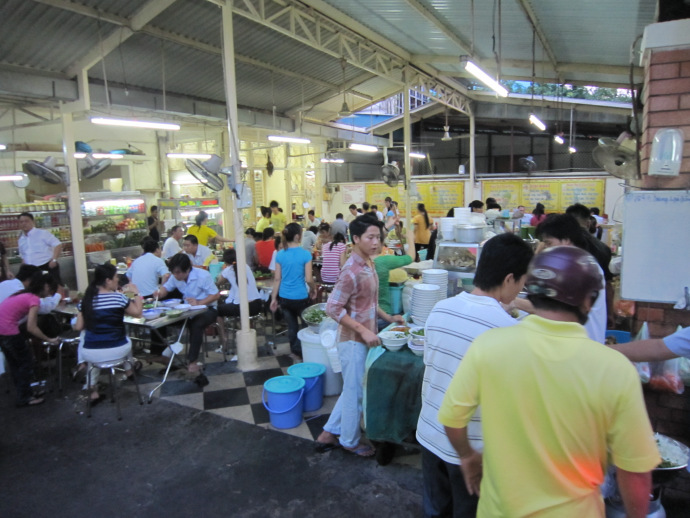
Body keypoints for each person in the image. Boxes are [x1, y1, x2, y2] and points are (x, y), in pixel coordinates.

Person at [438, 246, 659, 518]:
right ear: (588, 301)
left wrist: (468, 456)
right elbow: (635, 470)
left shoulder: (489, 346)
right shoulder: (614, 370)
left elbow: (452, 418)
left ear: (530, 291)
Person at [417, 233, 534, 518]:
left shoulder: (439, 309)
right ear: (509, 279)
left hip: (430, 435)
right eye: (522, 282)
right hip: (473, 450)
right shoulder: (509, 331)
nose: (521, 289)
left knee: (436, 511)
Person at [315, 214, 405, 456]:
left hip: (363, 337)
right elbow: (333, 308)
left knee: (352, 389)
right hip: (351, 341)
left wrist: (389, 318)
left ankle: (328, 432)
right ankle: (349, 440)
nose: (376, 242)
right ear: (356, 238)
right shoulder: (351, 270)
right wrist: (364, 330)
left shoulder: (368, 263)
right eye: (370, 237)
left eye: (378, 237)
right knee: (355, 393)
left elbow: (369, 303)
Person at [516, 214, 606, 343]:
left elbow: (550, 310)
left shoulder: (578, 270)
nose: (546, 247)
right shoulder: (573, 264)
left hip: (583, 347)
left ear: (566, 240)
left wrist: (513, 302)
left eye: (548, 243)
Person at [74, 263, 142, 403]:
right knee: (125, 337)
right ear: (108, 280)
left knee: (90, 342)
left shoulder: (85, 301)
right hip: (118, 350)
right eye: (116, 277)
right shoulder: (119, 298)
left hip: (90, 353)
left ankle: (92, 391)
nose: (118, 279)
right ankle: (129, 370)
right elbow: (137, 313)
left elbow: (79, 326)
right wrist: (136, 293)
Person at [0, 272, 59, 407]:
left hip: (2, 331)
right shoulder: (34, 299)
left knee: (16, 365)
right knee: (26, 363)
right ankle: (25, 397)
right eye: (51, 290)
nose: (50, 295)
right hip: (9, 331)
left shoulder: (22, 293)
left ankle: (25, 394)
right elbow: (31, 327)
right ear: (45, 286)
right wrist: (49, 339)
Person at [155, 254, 220, 374]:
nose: (176, 275)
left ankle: (192, 362)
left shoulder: (202, 275)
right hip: (187, 310)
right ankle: (161, 355)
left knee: (196, 325)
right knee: (162, 319)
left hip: (208, 308)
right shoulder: (175, 277)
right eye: (174, 272)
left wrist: (199, 302)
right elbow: (166, 289)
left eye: (178, 272)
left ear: (187, 269)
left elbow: (215, 295)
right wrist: (159, 293)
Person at [270, 223, 315, 359]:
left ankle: (295, 352)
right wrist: (313, 289)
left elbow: (277, 279)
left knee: (292, 326)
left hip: (284, 297)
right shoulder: (305, 254)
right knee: (307, 326)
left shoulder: (280, 255)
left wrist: (273, 298)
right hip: (301, 297)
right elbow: (308, 279)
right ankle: (307, 351)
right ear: (297, 236)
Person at [374, 225, 415, 330]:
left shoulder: (359, 262)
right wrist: (410, 238)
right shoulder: (383, 261)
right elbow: (410, 257)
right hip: (384, 316)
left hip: (366, 318)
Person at [17, 212, 63, 284]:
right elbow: (23, 255)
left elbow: (58, 244)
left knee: (54, 287)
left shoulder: (42, 233)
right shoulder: (21, 239)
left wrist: (54, 260)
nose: (24, 224)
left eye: (26, 221)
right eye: (21, 222)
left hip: (46, 265)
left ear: (33, 221)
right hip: (31, 269)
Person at [217, 248, 262, 319]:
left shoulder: (228, 270)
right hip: (257, 304)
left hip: (242, 307)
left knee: (217, 310)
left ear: (225, 261)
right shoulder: (245, 266)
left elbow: (219, 282)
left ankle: (222, 330)